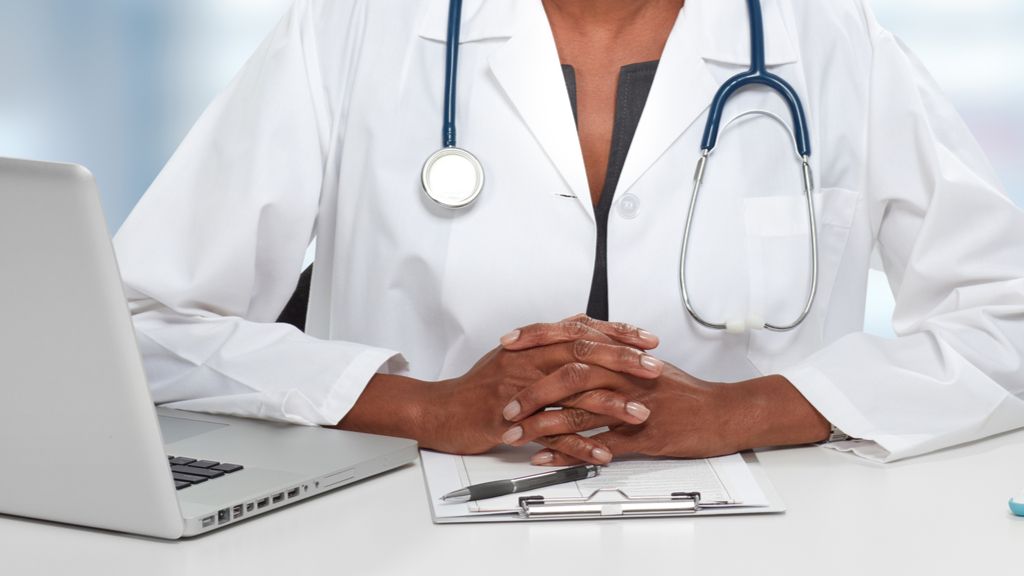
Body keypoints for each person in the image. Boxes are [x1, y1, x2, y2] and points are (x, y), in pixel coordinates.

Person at [114, 0, 1024, 466]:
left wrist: (738, 413)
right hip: (390, 537)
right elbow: (135, 321)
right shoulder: (358, 25)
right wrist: (423, 407)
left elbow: (1005, 322)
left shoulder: (830, 36)